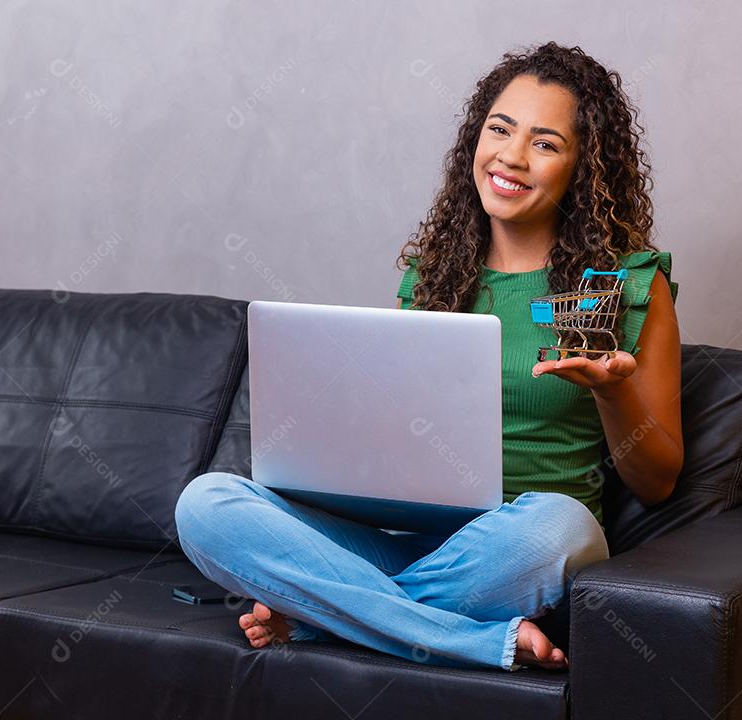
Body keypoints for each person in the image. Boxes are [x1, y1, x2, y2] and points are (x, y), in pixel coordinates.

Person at [174, 41, 683, 672]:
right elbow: (396, 440)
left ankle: (322, 620)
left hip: (509, 549)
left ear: (584, 167)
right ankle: (469, 638)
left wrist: (612, 392)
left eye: (546, 143)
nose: (513, 157)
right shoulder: (432, 276)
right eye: (500, 129)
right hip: (402, 541)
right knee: (206, 503)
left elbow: (658, 481)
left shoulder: (631, 285)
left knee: (563, 529)